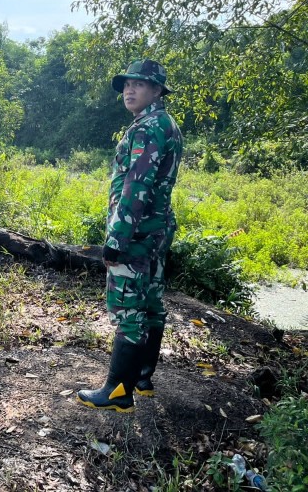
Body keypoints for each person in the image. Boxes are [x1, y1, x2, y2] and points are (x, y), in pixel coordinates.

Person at [77, 59, 183, 412]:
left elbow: (136, 185)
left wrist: (117, 239)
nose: (129, 90)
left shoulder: (146, 128)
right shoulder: (167, 125)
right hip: (156, 230)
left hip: (136, 233)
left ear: (156, 90)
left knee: (127, 308)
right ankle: (142, 377)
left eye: (139, 84)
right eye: (126, 84)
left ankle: (117, 392)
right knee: (151, 301)